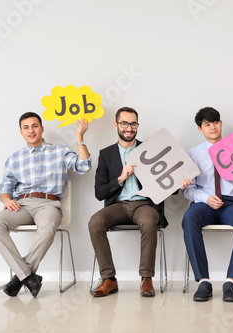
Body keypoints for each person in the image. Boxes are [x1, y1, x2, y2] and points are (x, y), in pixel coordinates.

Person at [0, 112, 91, 297]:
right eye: (26, 127)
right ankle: (28, 277)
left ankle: (19, 278)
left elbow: (84, 166)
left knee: (48, 226)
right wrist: (7, 199)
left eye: (35, 126)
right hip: (22, 204)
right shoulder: (14, 158)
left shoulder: (59, 151)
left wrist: (80, 138)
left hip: (49, 204)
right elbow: (5, 186)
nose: (31, 130)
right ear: (21, 132)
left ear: (42, 128)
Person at [89, 106, 173, 297]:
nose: (129, 128)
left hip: (143, 205)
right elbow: (99, 192)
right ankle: (109, 279)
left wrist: (180, 183)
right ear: (116, 125)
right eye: (124, 123)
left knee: (149, 221)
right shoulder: (106, 154)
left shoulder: (149, 151)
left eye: (133, 123)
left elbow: (170, 186)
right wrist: (120, 178)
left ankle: (146, 279)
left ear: (137, 125)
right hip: (118, 205)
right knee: (95, 222)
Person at [181, 107, 233, 302]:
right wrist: (205, 197)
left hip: (232, 203)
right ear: (200, 129)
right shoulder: (193, 154)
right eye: (207, 124)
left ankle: (231, 282)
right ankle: (203, 281)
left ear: (221, 123)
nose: (212, 127)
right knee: (189, 218)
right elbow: (188, 190)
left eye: (215, 122)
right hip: (205, 203)